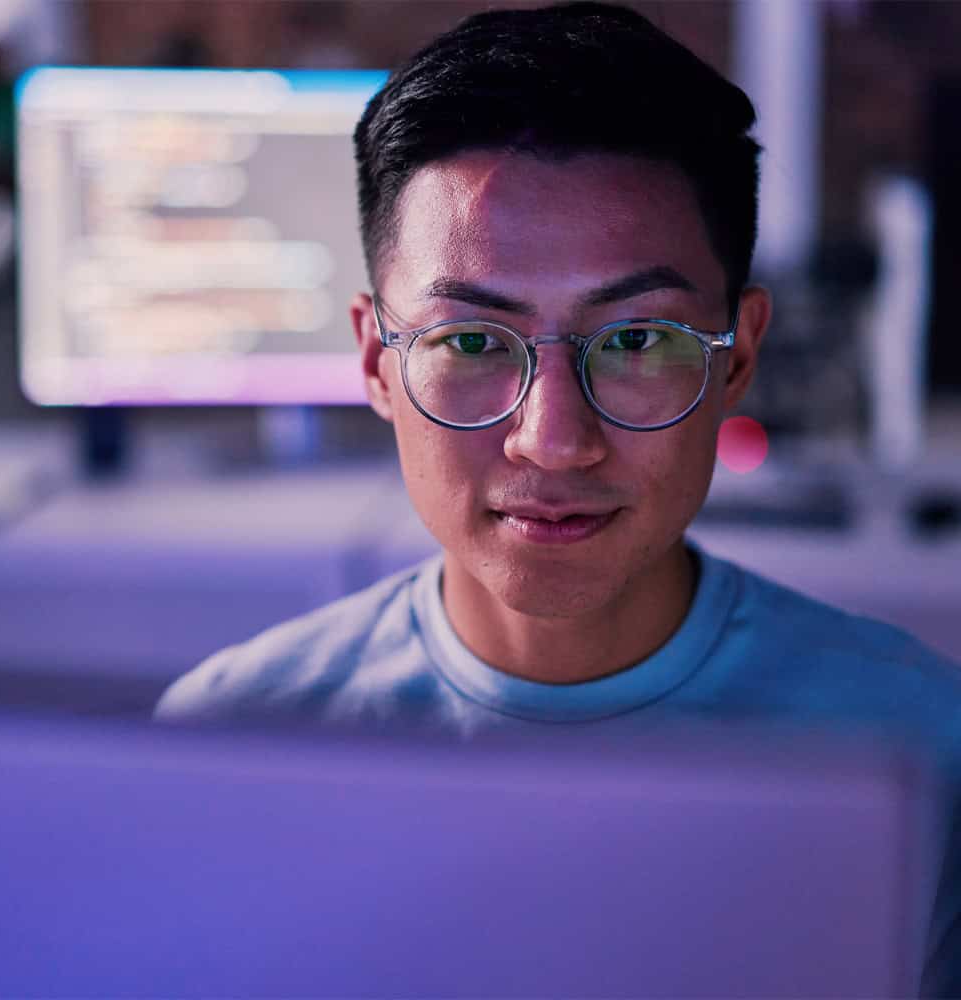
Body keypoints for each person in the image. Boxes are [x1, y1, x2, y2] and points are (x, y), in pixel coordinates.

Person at [155, 3, 961, 992]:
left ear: (738, 355)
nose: (553, 439)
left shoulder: (922, 744)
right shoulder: (228, 743)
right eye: (468, 341)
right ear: (374, 358)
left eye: (634, 340)